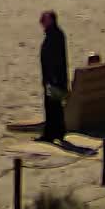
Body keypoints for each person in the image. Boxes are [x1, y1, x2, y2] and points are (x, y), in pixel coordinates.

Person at [38, 10, 68, 144]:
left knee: (52, 105)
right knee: (54, 105)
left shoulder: (55, 35)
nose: (42, 22)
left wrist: (52, 78)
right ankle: (58, 132)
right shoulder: (55, 34)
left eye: (45, 19)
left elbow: (56, 58)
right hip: (54, 77)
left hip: (54, 78)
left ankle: (51, 134)